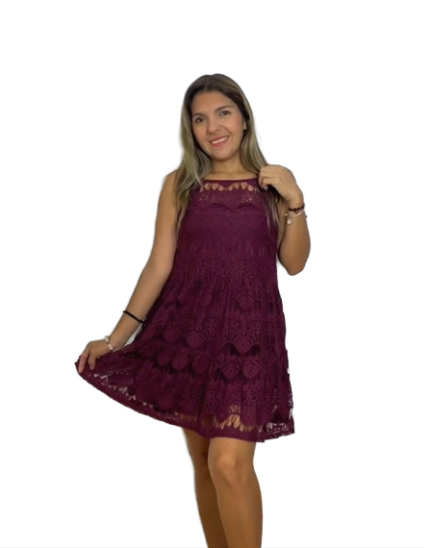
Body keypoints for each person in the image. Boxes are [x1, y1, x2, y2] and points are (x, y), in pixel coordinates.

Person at [75, 73, 311, 548]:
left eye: (223, 113)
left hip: (249, 340)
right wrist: (115, 338)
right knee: (205, 463)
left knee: (229, 464)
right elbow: (158, 265)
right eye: (199, 119)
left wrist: (296, 201)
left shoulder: (273, 183)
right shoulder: (180, 185)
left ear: (244, 119)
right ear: (191, 130)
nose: (212, 127)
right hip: (188, 335)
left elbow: (295, 263)